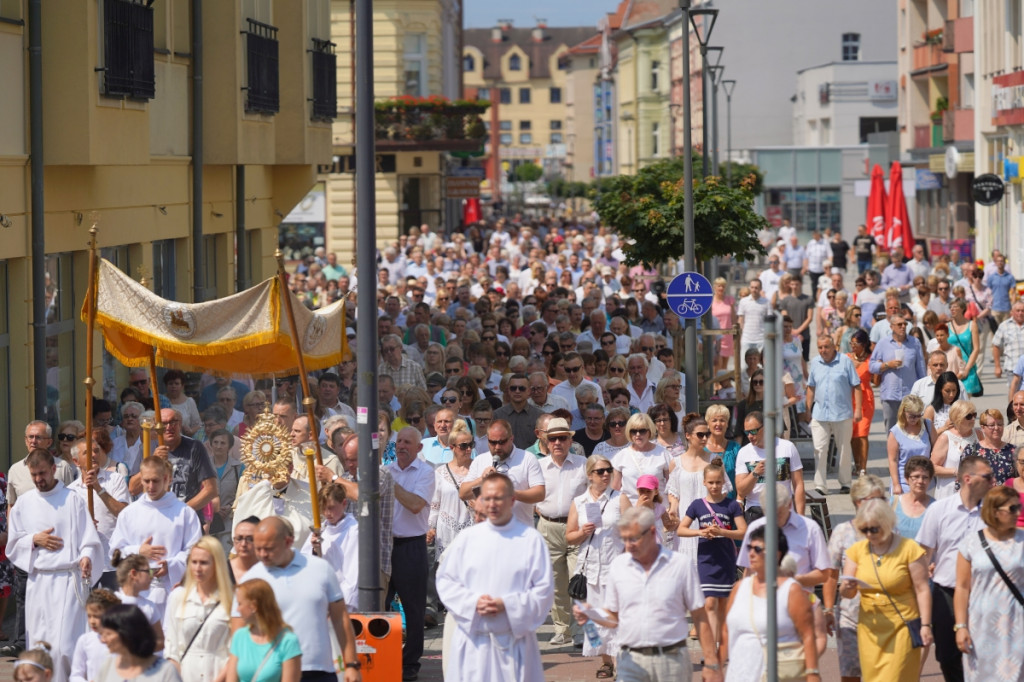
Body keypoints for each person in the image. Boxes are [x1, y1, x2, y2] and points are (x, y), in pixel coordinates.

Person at [574, 506, 723, 682]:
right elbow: (613, 617)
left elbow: (700, 616)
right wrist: (591, 614)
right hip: (629, 661)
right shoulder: (618, 566)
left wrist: (712, 663)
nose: (628, 545)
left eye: (634, 539)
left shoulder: (680, 565)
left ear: (652, 532)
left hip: (671, 660)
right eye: (625, 539)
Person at [436, 473, 555, 682]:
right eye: (487, 498)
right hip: (474, 641)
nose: (492, 504)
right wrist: (473, 602)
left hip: (513, 642)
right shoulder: (467, 539)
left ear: (512, 500)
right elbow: (446, 581)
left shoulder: (530, 540)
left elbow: (543, 591)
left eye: (498, 498)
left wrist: (507, 605)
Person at [6, 449, 103, 682]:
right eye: (34, 475)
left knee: (64, 647)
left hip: (68, 581)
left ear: (53, 469)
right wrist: (33, 540)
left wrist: (87, 556)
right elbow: (13, 543)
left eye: (42, 473)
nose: (38, 479)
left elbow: (89, 539)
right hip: (38, 581)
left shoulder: (73, 500)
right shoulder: (24, 503)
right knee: (40, 645)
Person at [236, 517, 361, 681]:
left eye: (268, 549)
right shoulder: (251, 578)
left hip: (319, 671)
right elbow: (239, 628)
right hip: (272, 673)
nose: (262, 555)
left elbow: (340, 618)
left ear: (288, 542)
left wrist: (352, 664)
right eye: (258, 549)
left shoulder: (320, 569)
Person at [916, 455, 995, 682]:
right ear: (968, 478)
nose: (993, 481)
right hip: (946, 592)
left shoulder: (992, 514)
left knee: (983, 655)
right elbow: (923, 555)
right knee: (947, 656)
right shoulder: (939, 510)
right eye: (987, 476)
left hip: (983, 594)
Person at [840, 499, 933, 681]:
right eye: (864, 529)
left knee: (895, 677)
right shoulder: (856, 551)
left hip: (902, 627)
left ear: (887, 523)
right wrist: (847, 587)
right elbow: (847, 593)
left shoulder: (909, 548)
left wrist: (925, 625)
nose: (869, 534)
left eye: (874, 529)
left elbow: (922, 589)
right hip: (870, 629)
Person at [723, 525, 819, 682]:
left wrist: (812, 673)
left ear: (776, 554)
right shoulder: (740, 588)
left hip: (775, 674)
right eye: (749, 548)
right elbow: (726, 632)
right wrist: (715, 666)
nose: (751, 554)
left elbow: (808, 635)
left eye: (758, 549)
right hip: (738, 674)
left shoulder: (792, 591)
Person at [110, 457, 203, 616]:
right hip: (137, 590)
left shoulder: (184, 513)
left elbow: (195, 551)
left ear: (166, 478)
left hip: (172, 588)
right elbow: (115, 552)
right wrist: (138, 551)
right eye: (146, 481)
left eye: (155, 481)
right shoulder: (129, 514)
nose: (150, 486)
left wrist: (171, 565)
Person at [676, 459, 746, 664]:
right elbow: (681, 529)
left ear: (723, 481)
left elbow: (743, 532)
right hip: (706, 560)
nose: (714, 486)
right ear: (704, 482)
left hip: (725, 560)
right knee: (709, 604)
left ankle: (722, 652)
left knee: (723, 607)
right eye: (711, 482)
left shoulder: (731, 505)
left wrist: (722, 531)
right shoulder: (698, 505)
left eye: (718, 482)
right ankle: (711, 652)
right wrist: (701, 531)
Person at [953, 485, 1024, 681]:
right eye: (1011, 508)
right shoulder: (971, 543)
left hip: (1018, 623)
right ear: (994, 511)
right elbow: (962, 587)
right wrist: (961, 626)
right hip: (981, 624)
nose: (1017, 513)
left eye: (1018, 507)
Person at [822, 475, 887, 682]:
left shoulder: (891, 532)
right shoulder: (843, 532)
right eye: (873, 499)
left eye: (882, 500)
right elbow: (831, 574)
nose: (879, 505)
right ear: (858, 501)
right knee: (851, 674)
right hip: (851, 616)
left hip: (885, 616)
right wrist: (829, 609)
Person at [565, 456, 623, 678]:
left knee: (614, 616)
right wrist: (582, 532)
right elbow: (569, 537)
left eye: (608, 470)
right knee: (593, 617)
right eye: (600, 471)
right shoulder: (579, 502)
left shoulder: (619, 499)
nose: (606, 474)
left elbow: (634, 530)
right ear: (590, 475)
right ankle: (605, 661)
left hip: (615, 565)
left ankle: (619, 664)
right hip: (589, 569)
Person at [385, 427, 435, 680]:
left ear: (419, 448)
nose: (402, 446)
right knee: (381, 606)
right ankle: (385, 655)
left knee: (414, 609)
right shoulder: (386, 471)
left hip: (412, 546)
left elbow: (415, 505)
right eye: (399, 442)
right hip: (385, 545)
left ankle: (409, 664)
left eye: (407, 442)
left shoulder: (426, 473)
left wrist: (390, 485)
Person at [534, 417, 587, 647]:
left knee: (579, 580)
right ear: (546, 440)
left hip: (577, 528)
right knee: (555, 582)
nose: (557, 442)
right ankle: (561, 629)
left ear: (570, 440)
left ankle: (579, 631)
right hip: (547, 526)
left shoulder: (584, 464)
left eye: (562, 438)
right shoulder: (538, 466)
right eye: (553, 438)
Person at [164, 537, 233, 681]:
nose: (197, 568)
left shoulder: (231, 599)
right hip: (186, 674)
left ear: (217, 564)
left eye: (204, 563)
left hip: (220, 673)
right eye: (193, 562)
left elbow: (235, 650)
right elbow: (171, 647)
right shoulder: (178, 597)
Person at [128, 408, 217, 514]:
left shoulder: (195, 447)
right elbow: (133, 489)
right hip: (157, 518)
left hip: (187, 518)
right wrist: (154, 461)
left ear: (180, 424)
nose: (169, 427)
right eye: (164, 423)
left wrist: (181, 511)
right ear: (156, 427)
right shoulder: (147, 448)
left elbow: (210, 489)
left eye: (173, 422)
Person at [68, 436, 130, 587]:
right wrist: (85, 527)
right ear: (76, 461)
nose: (94, 455)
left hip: (112, 561)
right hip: (85, 563)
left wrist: (99, 488)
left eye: (96, 451)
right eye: (87, 453)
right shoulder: (71, 491)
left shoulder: (115, 480)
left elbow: (123, 513)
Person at [460, 419, 545, 527]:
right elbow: (463, 494)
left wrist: (510, 493)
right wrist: (482, 479)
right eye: (493, 442)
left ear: (511, 439)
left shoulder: (527, 459)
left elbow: (540, 494)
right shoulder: (480, 460)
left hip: (519, 532)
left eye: (502, 442)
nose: (497, 447)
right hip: (488, 533)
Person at [806, 334, 861, 495]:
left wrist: (858, 410)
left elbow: (856, 386)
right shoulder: (815, 362)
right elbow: (811, 386)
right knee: (819, 449)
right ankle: (820, 485)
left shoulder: (845, 361)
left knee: (844, 449)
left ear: (834, 347)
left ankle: (845, 483)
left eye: (826, 347)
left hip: (842, 413)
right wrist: (807, 409)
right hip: (820, 414)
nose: (823, 350)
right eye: (820, 347)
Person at [226, 579, 302, 682]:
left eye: (240, 604)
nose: (237, 610)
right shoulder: (240, 636)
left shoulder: (288, 641)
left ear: (253, 607)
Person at [666, 414, 717, 566]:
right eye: (700, 434)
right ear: (687, 435)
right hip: (685, 526)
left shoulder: (714, 460)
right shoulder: (676, 462)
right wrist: (673, 509)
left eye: (707, 434)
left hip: (709, 524)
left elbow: (722, 491)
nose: (704, 438)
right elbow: (674, 493)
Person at [735, 412, 806, 521]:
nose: (749, 436)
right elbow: (741, 491)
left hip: (782, 509)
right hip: (756, 511)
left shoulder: (787, 447)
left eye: (753, 431)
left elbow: (798, 484)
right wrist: (755, 473)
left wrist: (801, 517)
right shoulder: (744, 453)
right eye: (746, 432)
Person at [301, 483, 359, 608]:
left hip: (342, 602)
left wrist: (337, 604)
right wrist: (314, 550)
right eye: (323, 508)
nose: (327, 513)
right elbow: (304, 563)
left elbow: (353, 576)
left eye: (331, 507)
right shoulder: (322, 529)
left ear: (344, 504)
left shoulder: (354, 531)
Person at [96, 605, 182, 682]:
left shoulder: (165, 670)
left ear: (127, 633)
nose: (103, 640)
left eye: (108, 634)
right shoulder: (107, 667)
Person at [870, 314, 927, 432]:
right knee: (891, 431)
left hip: (910, 395)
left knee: (910, 430)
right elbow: (871, 366)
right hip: (890, 395)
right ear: (891, 327)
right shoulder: (883, 343)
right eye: (899, 324)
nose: (903, 326)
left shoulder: (914, 343)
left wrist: (924, 391)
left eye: (905, 324)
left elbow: (921, 368)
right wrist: (887, 365)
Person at [610, 412, 670, 504]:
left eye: (642, 431)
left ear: (649, 431)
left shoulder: (663, 453)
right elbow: (615, 489)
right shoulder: (621, 456)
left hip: (658, 509)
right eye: (633, 431)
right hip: (631, 510)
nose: (637, 434)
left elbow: (672, 485)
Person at [887, 395, 937, 496]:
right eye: (912, 416)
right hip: (905, 483)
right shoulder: (895, 432)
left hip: (927, 482)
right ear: (903, 412)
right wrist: (896, 484)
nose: (915, 419)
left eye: (919, 415)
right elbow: (893, 461)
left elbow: (936, 449)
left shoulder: (927, 425)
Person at [930, 400, 978, 499]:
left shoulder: (978, 434)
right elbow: (932, 467)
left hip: (973, 492)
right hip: (949, 493)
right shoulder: (945, 438)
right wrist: (956, 472)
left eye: (974, 415)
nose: (973, 419)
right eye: (969, 416)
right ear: (957, 418)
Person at [70, 590, 120, 682]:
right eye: (89, 616)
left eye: (97, 616)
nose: (92, 621)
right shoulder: (85, 640)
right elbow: (75, 675)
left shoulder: (122, 640)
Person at [963, 408, 1017, 485]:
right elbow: (962, 480)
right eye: (992, 425)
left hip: (1006, 495)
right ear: (983, 428)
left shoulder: (1013, 450)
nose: (996, 428)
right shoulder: (971, 450)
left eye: (1000, 424)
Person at [893, 457, 935, 540]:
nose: (920, 481)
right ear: (906, 478)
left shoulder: (935, 507)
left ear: (930, 480)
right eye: (916, 476)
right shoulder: (893, 503)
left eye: (925, 477)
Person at [948, 298, 983, 396]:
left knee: (965, 402)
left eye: (955, 307)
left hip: (968, 366)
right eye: (950, 307)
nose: (952, 309)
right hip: (951, 367)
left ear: (962, 308)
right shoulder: (947, 326)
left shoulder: (972, 325)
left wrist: (967, 369)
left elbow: (976, 349)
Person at [703, 405, 740, 497]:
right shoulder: (700, 448)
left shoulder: (735, 449)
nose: (718, 424)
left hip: (730, 504)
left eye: (722, 420)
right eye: (714, 420)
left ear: (727, 424)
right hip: (705, 503)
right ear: (707, 424)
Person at [229, 517, 261, 584]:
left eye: (250, 539)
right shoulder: (222, 570)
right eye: (239, 539)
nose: (243, 544)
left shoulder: (272, 571)